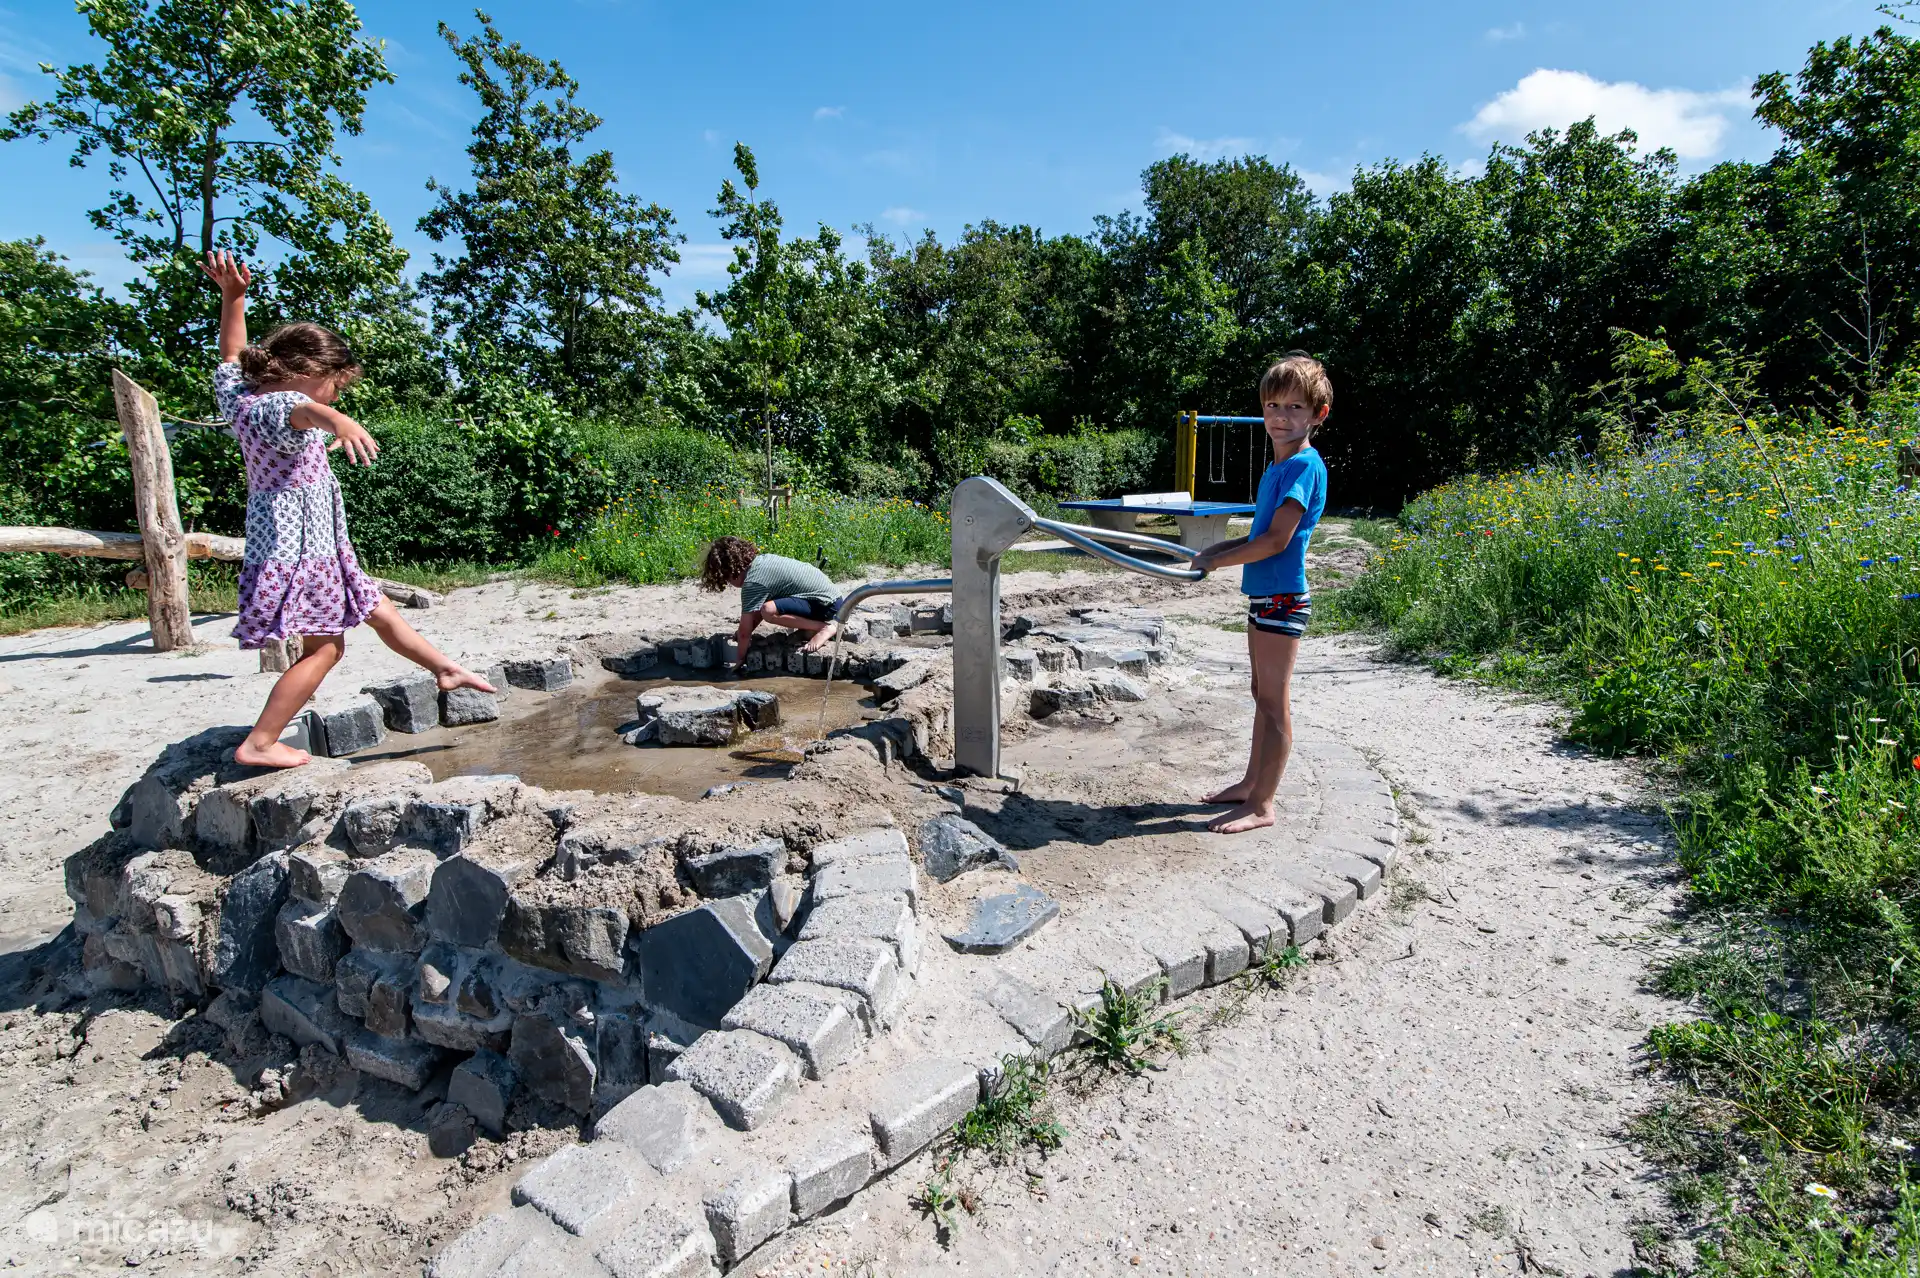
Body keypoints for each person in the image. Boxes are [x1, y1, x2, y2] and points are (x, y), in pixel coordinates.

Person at [200, 250, 493, 769]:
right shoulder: (274, 407)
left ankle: (445, 669)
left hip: (312, 546)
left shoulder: (239, 396)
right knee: (325, 650)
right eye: (337, 383)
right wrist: (339, 421)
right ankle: (261, 743)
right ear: (304, 371)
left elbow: (231, 356)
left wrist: (233, 297)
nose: (338, 392)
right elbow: (301, 408)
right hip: (301, 549)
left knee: (377, 609)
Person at [1188, 354, 1332, 834]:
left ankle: (1263, 805)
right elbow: (1256, 534)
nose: (1281, 416)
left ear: (1318, 414)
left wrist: (1218, 560)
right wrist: (1215, 549)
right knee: (1261, 694)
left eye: (1294, 407)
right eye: (1273, 404)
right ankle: (1252, 783)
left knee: (1274, 703)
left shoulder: (1303, 468)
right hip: (1266, 599)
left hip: (1284, 598)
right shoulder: (1280, 467)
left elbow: (1275, 542)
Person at [699, 536, 844, 671]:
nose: (729, 583)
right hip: (833, 598)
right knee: (766, 607)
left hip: (825, 605)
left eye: (727, 580)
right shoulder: (761, 562)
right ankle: (815, 626)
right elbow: (751, 618)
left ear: (731, 572)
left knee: (768, 611)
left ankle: (823, 628)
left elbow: (744, 632)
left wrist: (739, 659)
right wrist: (745, 631)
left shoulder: (752, 583)